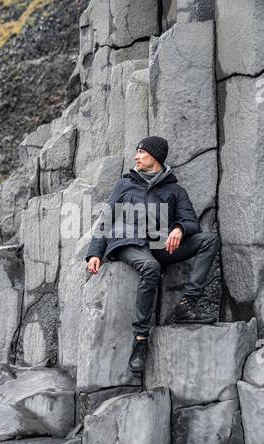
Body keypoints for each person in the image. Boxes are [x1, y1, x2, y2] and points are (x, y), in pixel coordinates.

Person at [85, 136, 220, 373]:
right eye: (136, 152)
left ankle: (186, 305)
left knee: (208, 240)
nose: (136, 156)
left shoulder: (175, 190)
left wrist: (178, 229)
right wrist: (94, 253)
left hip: (160, 244)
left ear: (154, 156)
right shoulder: (124, 184)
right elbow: (106, 220)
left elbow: (190, 220)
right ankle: (140, 341)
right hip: (128, 242)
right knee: (150, 267)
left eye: (141, 152)